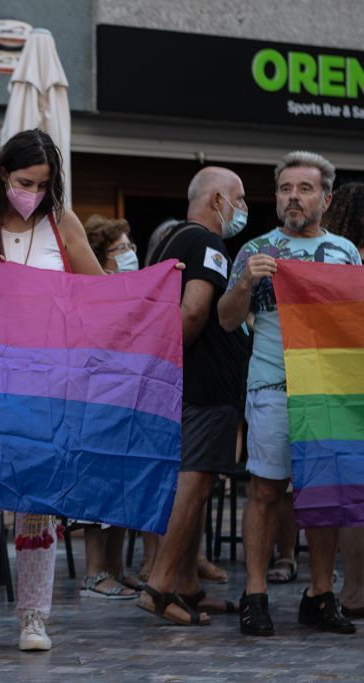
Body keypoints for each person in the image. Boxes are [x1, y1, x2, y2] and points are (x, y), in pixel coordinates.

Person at [0, 129, 106, 652]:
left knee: (37, 501)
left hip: (46, 383)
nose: (31, 192)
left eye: (41, 184)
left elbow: (98, 291)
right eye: (23, 181)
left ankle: (34, 617)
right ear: (0, 175)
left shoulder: (62, 223)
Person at [218, 151, 360, 637]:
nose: (292, 197)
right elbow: (226, 319)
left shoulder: (346, 253)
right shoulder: (255, 247)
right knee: (263, 491)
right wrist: (244, 281)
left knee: (325, 493)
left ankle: (320, 594)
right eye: (284, 189)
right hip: (272, 386)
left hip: (328, 390)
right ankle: (254, 593)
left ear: (326, 197)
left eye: (303, 188)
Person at [135, 167, 250, 626]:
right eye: (238, 198)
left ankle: (186, 585)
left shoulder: (170, 240)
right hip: (202, 386)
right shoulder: (207, 243)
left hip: (187, 386)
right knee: (195, 481)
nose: (242, 207)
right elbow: (195, 310)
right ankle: (160, 587)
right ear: (218, 198)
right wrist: (168, 367)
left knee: (194, 483)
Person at [77, 214, 141, 599]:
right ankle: (94, 572)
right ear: (100, 255)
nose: (130, 254)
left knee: (123, 483)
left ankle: (117, 568)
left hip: (126, 395)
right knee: (97, 484)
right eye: (121, 249)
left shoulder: (133, 289)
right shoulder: (90, 290)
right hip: (96, 397)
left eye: (131, 246)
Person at [321, 181, 364, 619]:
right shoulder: (345, 259)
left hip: (341, 385)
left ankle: (354, 588)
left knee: (353, 494)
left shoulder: (336, 260)